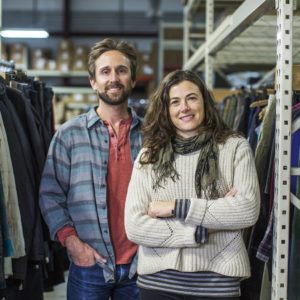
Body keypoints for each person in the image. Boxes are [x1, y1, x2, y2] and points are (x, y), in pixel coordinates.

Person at [125, 69, 260, 300]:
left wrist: (176, 207)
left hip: (218, 283)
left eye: (191, 98)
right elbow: (135, 226)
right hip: (158, 283)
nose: (184, 107)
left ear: (204, 102)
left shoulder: (235, 147)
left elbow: (247, 211)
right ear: (166, 110)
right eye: (175, 102)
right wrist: (201, 230)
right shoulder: (149, 156)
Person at [39, 38, 143, 300]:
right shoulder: (69, 135)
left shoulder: (153, 135)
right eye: (105, 71)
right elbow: (50, 194)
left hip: (142, 265)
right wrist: (72, 244)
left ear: (132, 79)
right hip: (90, 266)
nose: (114, 78)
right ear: (93, 81)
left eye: (121, 70)